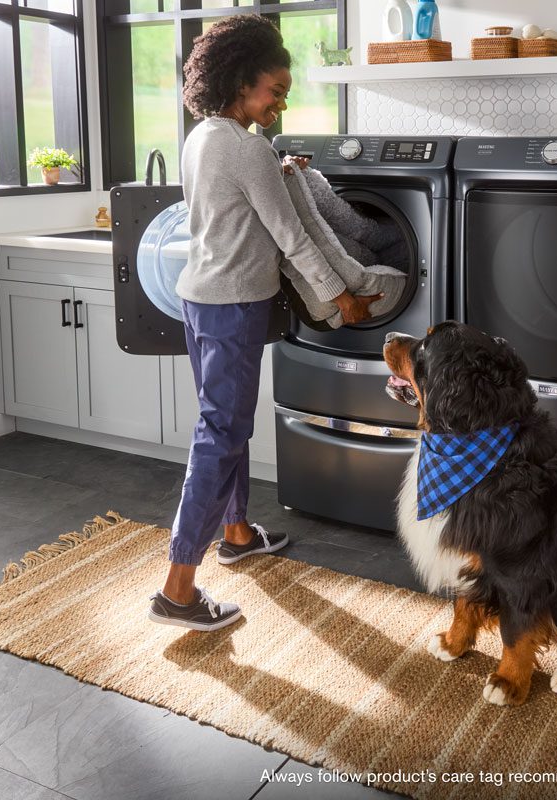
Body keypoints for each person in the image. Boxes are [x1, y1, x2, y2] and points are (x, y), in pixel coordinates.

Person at [148, 15, 379, 631]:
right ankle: (178, 588)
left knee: (225, 425)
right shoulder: (248, 147)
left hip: (198, 298)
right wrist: (341, 298)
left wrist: (276, 175)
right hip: (233, 305)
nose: (281, 101)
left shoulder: (205, 135)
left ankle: (238, 531)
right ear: (239, 82)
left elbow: (236, 205)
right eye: (274, 90)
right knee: (220, 434)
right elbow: (294, 236)